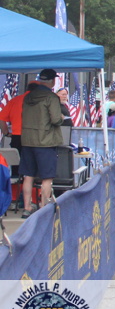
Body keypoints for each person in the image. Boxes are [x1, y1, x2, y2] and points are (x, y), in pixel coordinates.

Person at [19, 69, 63, 217]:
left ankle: (27, 207)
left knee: (28, 175)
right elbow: (55, 119)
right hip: (46, 141)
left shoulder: (28, 96)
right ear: (52, 81)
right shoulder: (51, 97)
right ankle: (43, 209)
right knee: (47, 177)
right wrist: (62, 117)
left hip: (27, 140)